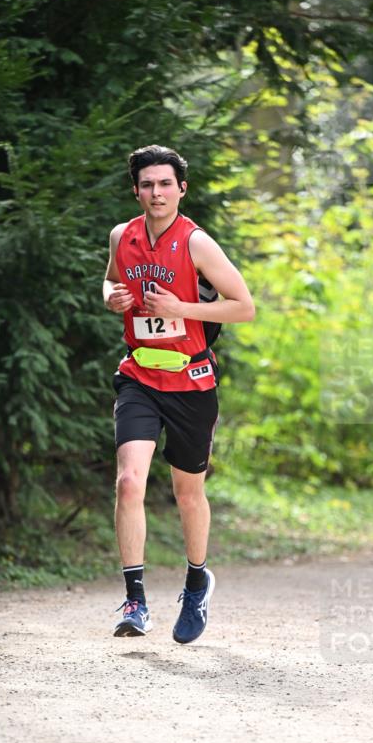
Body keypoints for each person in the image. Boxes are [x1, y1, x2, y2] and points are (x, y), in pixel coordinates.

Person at [103, 145, 255, 643]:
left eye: (165, 184)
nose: (156, 193)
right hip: (139, 377)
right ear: (136, 190)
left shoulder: (196, 243)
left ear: (181, 189)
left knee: (188, 494)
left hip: (191, 381)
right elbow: (108, 286)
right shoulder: (120, 237)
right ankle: (135, 600)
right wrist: (114, 298)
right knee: (129, 482)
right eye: (147, 184)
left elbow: (243, 307)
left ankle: (195, 582)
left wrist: (183, 308)